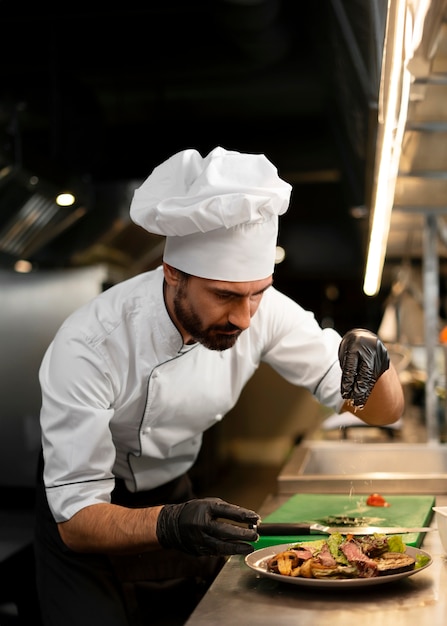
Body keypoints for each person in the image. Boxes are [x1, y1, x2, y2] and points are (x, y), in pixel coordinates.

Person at [34, 146, 404, 626]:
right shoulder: (90, 343)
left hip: (173, 488)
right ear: (173, 274)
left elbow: (383, 412)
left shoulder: (263, 311)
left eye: (257, 293)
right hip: (85, 512)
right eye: (225, 296)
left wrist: (376, 358)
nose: (245, 318)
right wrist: (167, 522)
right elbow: (78, 521)